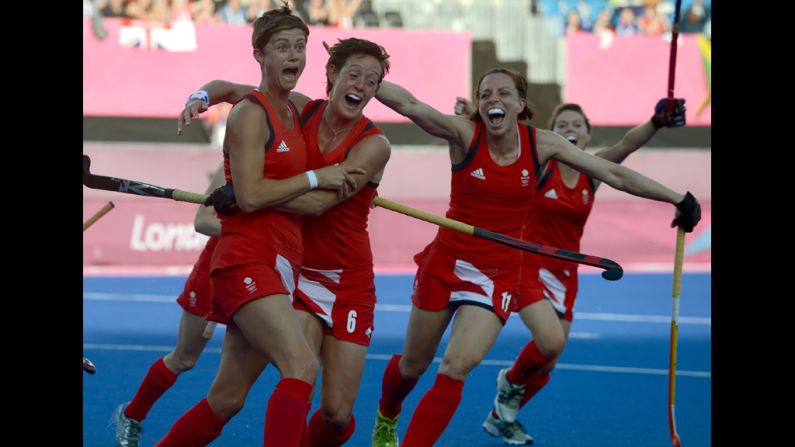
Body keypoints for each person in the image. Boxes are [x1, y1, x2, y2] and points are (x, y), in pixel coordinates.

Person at [369, 68, 701, 447]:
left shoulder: (544, 145)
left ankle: (486, 414)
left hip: (500, 271)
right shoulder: (465, 133)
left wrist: (677, 198)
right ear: (479, 105)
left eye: (504, 93)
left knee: (458, 366)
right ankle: (386, 416)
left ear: (520, 105)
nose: (494, 99)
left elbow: (615, 171)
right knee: (412, 367)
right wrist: (364, 77)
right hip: (448, 260)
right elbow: (411, 105)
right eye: (486, 94)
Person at [153, 5, 364, 446]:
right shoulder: (252, 112)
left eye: (300, 47)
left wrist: (201, 94)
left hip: (281, 261)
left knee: (226, 400)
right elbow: (249, 197)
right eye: (282, 47)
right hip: (247, 258)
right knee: (302, 367)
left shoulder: (296, 109)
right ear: (260, 55)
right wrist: (314, 179)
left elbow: (221, 87)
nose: (294, 56)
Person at [456, 96, 688, 444]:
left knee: (547, 364)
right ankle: (508, 384)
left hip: (567, 275)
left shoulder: (591, 173)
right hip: (527, 265)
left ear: (588, 136)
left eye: (576, 125)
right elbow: (498, 142)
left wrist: (656, 121)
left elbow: (626, 145)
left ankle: (501, 417)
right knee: (550, 341)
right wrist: (470, 124)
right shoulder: (538, 165)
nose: (569, 129)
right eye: (562, 125)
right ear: (552, 134)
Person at [112, 163, 226, 447]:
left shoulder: (295, 161)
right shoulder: (231, 162)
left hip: (265, 273)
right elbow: (203, 221)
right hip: (217, 270)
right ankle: (132, 415)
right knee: (185, 359)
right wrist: (254, 233)